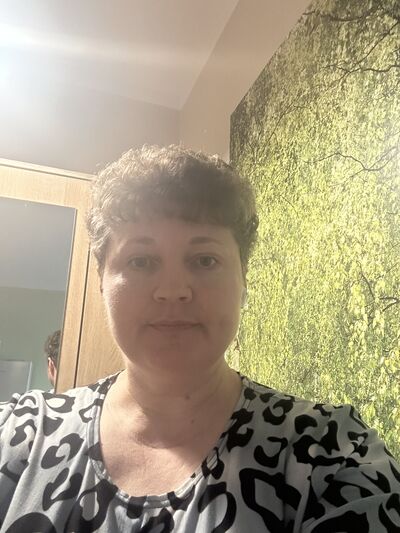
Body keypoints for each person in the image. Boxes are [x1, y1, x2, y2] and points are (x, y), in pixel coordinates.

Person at [1, 145, 399, 532]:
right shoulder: (21, 436)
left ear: (242, 280)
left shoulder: (331, 452)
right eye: (141, 261)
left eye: (204, 260)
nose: (173, 291)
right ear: (102, 282)